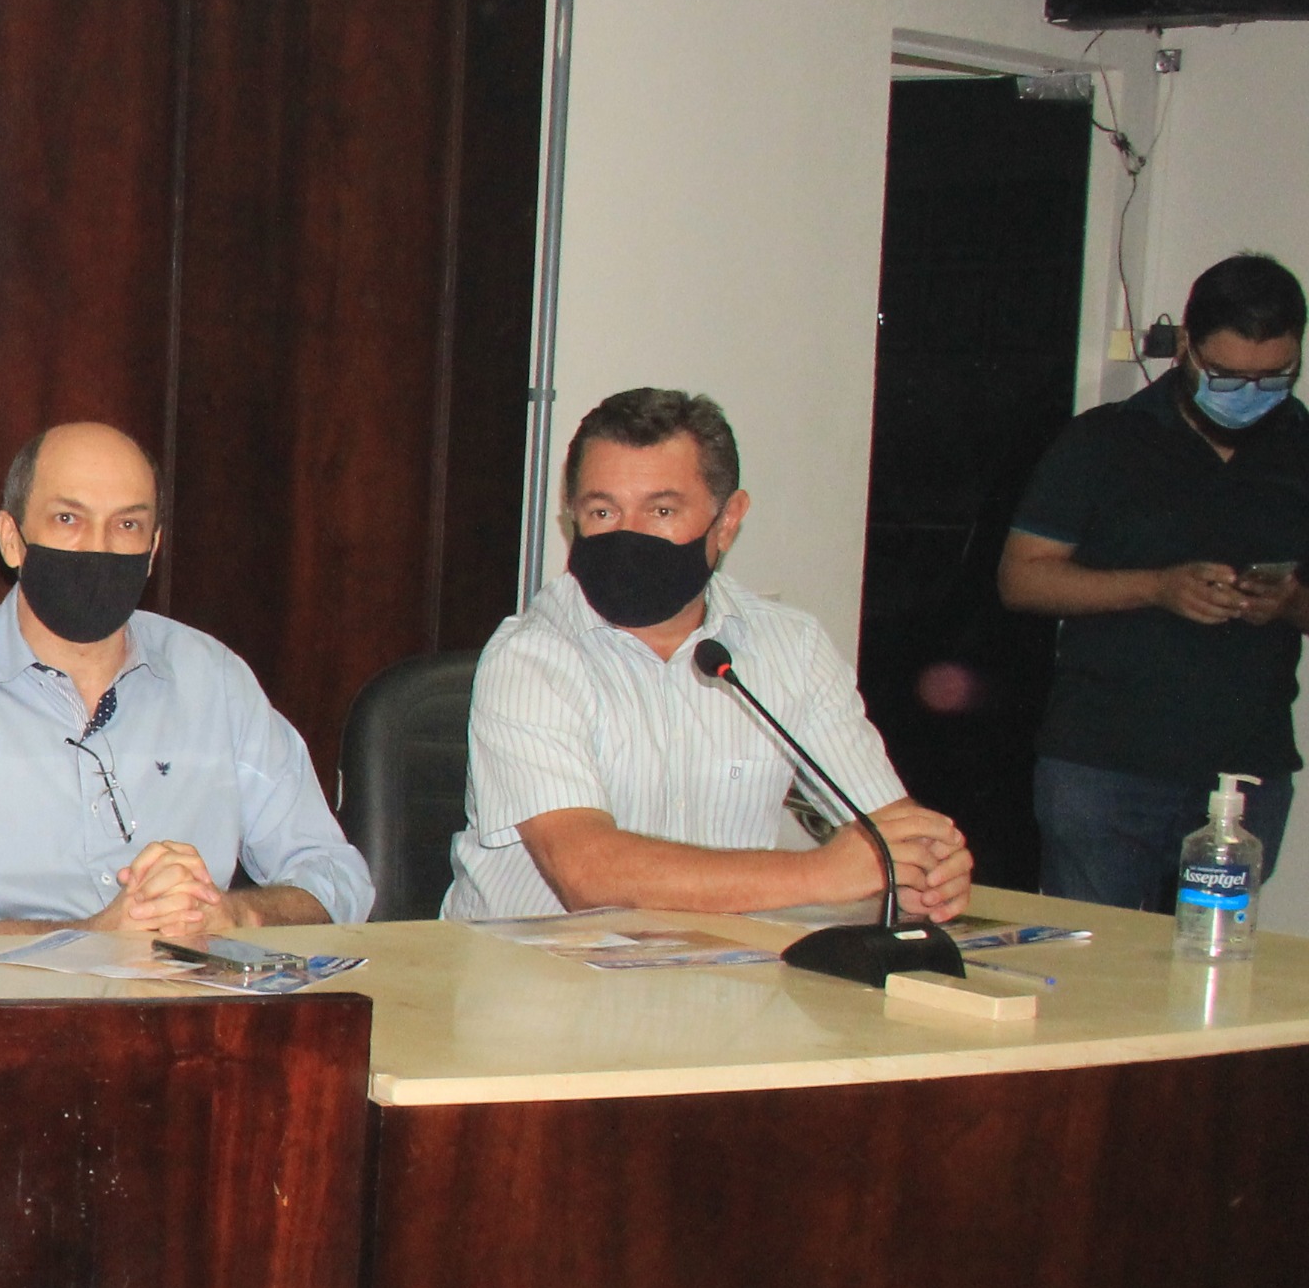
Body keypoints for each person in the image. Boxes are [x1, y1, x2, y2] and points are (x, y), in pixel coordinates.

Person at [450, 386, 973, 923]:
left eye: (661, 510)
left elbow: (886, 825)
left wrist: (925, 868)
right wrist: (824, 873)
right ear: (573, 516)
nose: (628, 537)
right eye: (603, 511)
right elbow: (590, 875)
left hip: (724, 963)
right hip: (537, 967)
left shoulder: (791, 647)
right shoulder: (529, 657)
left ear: (727, 521)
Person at [0, 421, 370, 940]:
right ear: (11, 540)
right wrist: (86, 938)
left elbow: (336, 876)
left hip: (185, 990)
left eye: (127, 525)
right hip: (9, 993)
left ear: (153, 550)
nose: (98, 547)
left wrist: (232, 914)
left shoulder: (216, 681)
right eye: (68, 518)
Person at [999, 252, 1309, 909]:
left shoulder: (1302, 448)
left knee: (1213, 959)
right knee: (1095, 961)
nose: (1250, 393)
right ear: (1187, 349)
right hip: (1103, 765)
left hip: (1246, 768)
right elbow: (1022, 579)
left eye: (1274, 376)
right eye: (1228, 376)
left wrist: (1287, 603)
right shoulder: (1104, 441)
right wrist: (1159, 587)